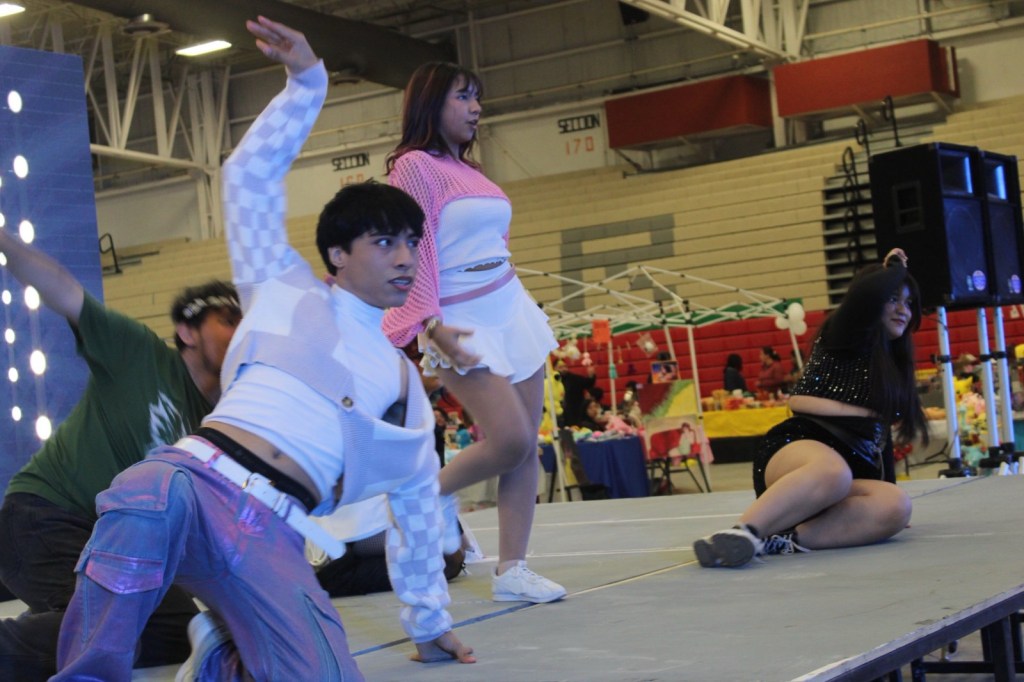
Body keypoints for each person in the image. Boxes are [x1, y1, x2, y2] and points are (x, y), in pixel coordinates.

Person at [52, 17, 472, 681]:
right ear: (338, 254)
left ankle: (225, 647)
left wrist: (429, 623)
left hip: (270, 534)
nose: (405, 258)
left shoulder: (403, 386)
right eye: (385, 242)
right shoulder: (281, 288)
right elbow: (247, 178)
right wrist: (306, 83)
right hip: (189, 482)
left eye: (413, 244)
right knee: (141, 497)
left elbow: (418, 506)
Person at [0, 227, 240, 680]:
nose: (239, 330)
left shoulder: (217, 426)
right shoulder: (139, 353)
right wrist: (3, 240)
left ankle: (53, 623)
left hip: (115, 545)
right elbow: (62, 288)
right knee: (114, 625)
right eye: (227, 319)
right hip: (44, 518)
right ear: (187, 331)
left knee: (177, 628)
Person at [382, 60, 566, 604]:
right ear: (431, 102)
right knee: (509, 439)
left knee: (526, 446)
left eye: (477, 97)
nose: (476, 107)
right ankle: (431, 493)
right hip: (457, 318)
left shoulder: (473, 171)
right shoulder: (414, 167)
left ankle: (513, 570)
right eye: (463, 97)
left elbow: (496, 244)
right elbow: (411, 250)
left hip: (511, 306)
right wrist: (429, 323)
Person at [693, 248, 926, 568]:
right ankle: (743, 532)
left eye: (909, 303)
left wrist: (882, 504)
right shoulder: (843, 334)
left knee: (897, 504)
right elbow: (863, 297)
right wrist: (896, 268)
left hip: (843, 478)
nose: (903, 310)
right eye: (893, 299)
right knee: (832, 472)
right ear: (872, 301)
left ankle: (783, 540)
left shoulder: (894, 367)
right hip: (799, 452)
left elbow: (879, 438)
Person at [557, 361, 597, 427]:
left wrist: (591, 376)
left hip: (574, 411)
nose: (564, 369)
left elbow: (588, 383)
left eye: (565, 366)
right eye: (560, 367)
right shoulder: (550, 382)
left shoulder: (573, 378)